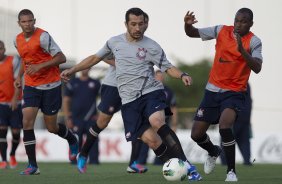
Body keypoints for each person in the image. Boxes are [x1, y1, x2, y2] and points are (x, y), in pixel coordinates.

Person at [61, 7, 202, 181]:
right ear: (126, 24)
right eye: (133, 24)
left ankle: (187, 165)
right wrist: (72, 69)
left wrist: (182, 75)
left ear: (146, 24)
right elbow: (94, 58)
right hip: (128, 99)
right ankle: (178, 169)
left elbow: (168, 67)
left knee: (156, 121)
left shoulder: (152, 46)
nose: (137, 28)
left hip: (150, 92)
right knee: (152, 141)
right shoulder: (114, 42)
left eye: (141, 24)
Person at [184, 8, 263, 181]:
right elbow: (192, 34)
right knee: (196, 134)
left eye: (243, 21)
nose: (239, 24)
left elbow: (257, 67)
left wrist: (242, 50)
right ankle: (213, 151)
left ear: (250, 24)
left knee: (225, 126)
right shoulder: (221, 30)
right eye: (237, 20)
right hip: (212, 91)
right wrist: (187, 25)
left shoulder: (254, 41)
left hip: (234, 92)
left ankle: (231, 171)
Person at [14, 9, 79, 175]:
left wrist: (40, 66)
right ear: (19, 23)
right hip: (31, 86)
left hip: (51, 86)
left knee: (52, 127)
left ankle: (72, 139)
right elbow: (25, 60)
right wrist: (19, 76)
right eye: (24, 22)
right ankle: (32, 166)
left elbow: (61, 58)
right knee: (27, 122)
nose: (27, 24)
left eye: (30, 21)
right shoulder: (18, 40)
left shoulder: (43, 37)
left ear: (34, 21)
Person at [134, 70, 179, 166]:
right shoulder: (148, 89)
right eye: (158, 76)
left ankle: (160, 162)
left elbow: (173, 107)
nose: (160, 78)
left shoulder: (169, 91)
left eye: (161, 76)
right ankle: (141, 162)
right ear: (154, 77)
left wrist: (174, 123)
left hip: (163, 122)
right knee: (148, 141)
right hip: (149, 121)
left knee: (164, 141)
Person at [62, 69, 101, 165]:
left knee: (93, 139)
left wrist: (100, 115)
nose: (85, 69)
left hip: (91, 118)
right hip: (75, 118)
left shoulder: (95, 83)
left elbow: (103, 98)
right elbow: (66, 100)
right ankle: (73, 160)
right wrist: (67, 117)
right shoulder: (73, 82)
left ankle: (94, 161)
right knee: (75, 140)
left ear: (90, 69)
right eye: (83, 68)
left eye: (87, 67)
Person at [0, 40, 22, 169]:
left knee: (15, 132)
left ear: (4, 49)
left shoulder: (13, 61)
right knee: (1, 131)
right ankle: (3, 160)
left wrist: (15, 98)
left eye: (1, 48)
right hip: (1, 103)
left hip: (15, 102)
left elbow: (18, 81)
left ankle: (12, 154)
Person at [220, 83, 253, 166]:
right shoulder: (246, 84)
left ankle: (224, 161)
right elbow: (249, 102)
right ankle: (247, 161)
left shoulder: (233, 83)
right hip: (245, 118)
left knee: (227, 138)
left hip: (234, 117)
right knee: (244, 141)